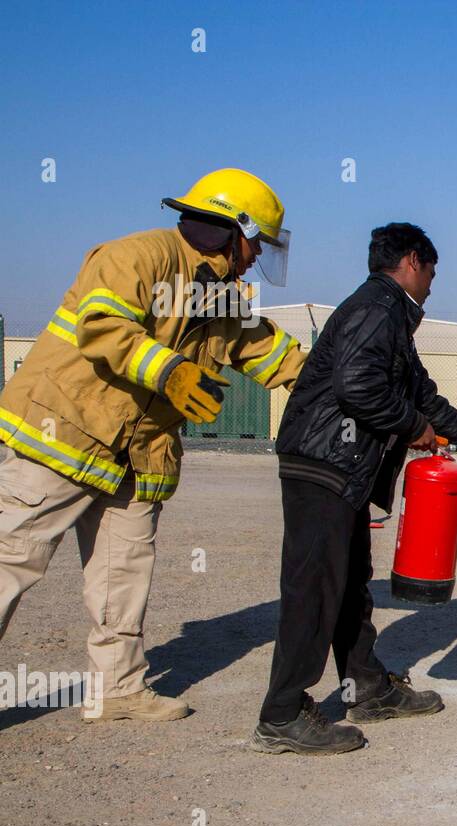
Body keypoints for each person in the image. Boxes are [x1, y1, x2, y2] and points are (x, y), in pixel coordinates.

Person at [0, 168, 305, 721]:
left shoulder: (223, 295)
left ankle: (117, 690)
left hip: (137, 455)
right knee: (9, 562)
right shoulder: (137, 257)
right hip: (65, 437)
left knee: (124, 573)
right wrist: (171, 374)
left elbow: (266, 350)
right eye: (254, 241)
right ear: (231, 228)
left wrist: (331, 379)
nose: (256, 256)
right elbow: (104, 328)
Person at [253, 223, 457, 755]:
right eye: (432, 273)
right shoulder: (378, 308)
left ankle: (367, 687)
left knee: (349, 583)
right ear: (413, 261)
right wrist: (410, 425)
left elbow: (426, 397)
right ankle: (281, 715)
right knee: (314, 588)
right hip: (323, 462)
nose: (432, 286)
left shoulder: (392, 316)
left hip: (341, 468)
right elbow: (358, 387)